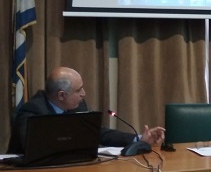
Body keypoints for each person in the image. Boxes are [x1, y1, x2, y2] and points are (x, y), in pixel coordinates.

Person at [9, 66, 165, 154]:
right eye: (78, 90)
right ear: (61, 95)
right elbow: (35, 147)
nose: (83, 94)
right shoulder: (33, 111)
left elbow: (99, 133)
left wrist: (138, 139)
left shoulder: (78, 105)